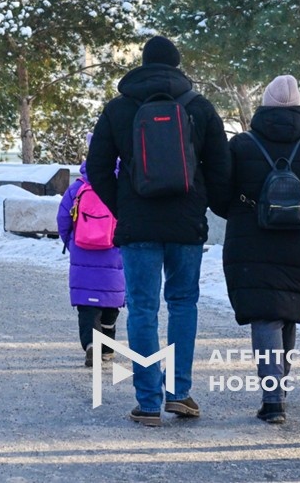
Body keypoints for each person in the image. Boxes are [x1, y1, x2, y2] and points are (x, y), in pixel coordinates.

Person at [87, 35, 231, 426]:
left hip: (138, 225)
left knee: (142, 308)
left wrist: (124, 206)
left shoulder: (119, 108)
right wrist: (203, 204)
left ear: (143, 63)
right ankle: (179, 393)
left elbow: (97, 167)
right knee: (183, 303)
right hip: (186, 224)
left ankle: (148, 402)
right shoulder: (199, 107)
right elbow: (221, 168)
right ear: (177, 64)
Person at [214, 74, 300, 425]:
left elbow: (218, 193)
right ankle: (278, 387)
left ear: (265, 106)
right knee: (287, 310)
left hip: (250, 240)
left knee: (265, 314)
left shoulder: (240, 146)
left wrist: (243, 212)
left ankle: (273, 397)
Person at [56, 157, 124, 367]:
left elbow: (63, 219)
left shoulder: (78, 187)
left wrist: (73, 242)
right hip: (114, 253)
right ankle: (107, 348)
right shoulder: (123, 185)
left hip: (82, 252)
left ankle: (91, 344)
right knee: (111, 302)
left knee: (87, 305)